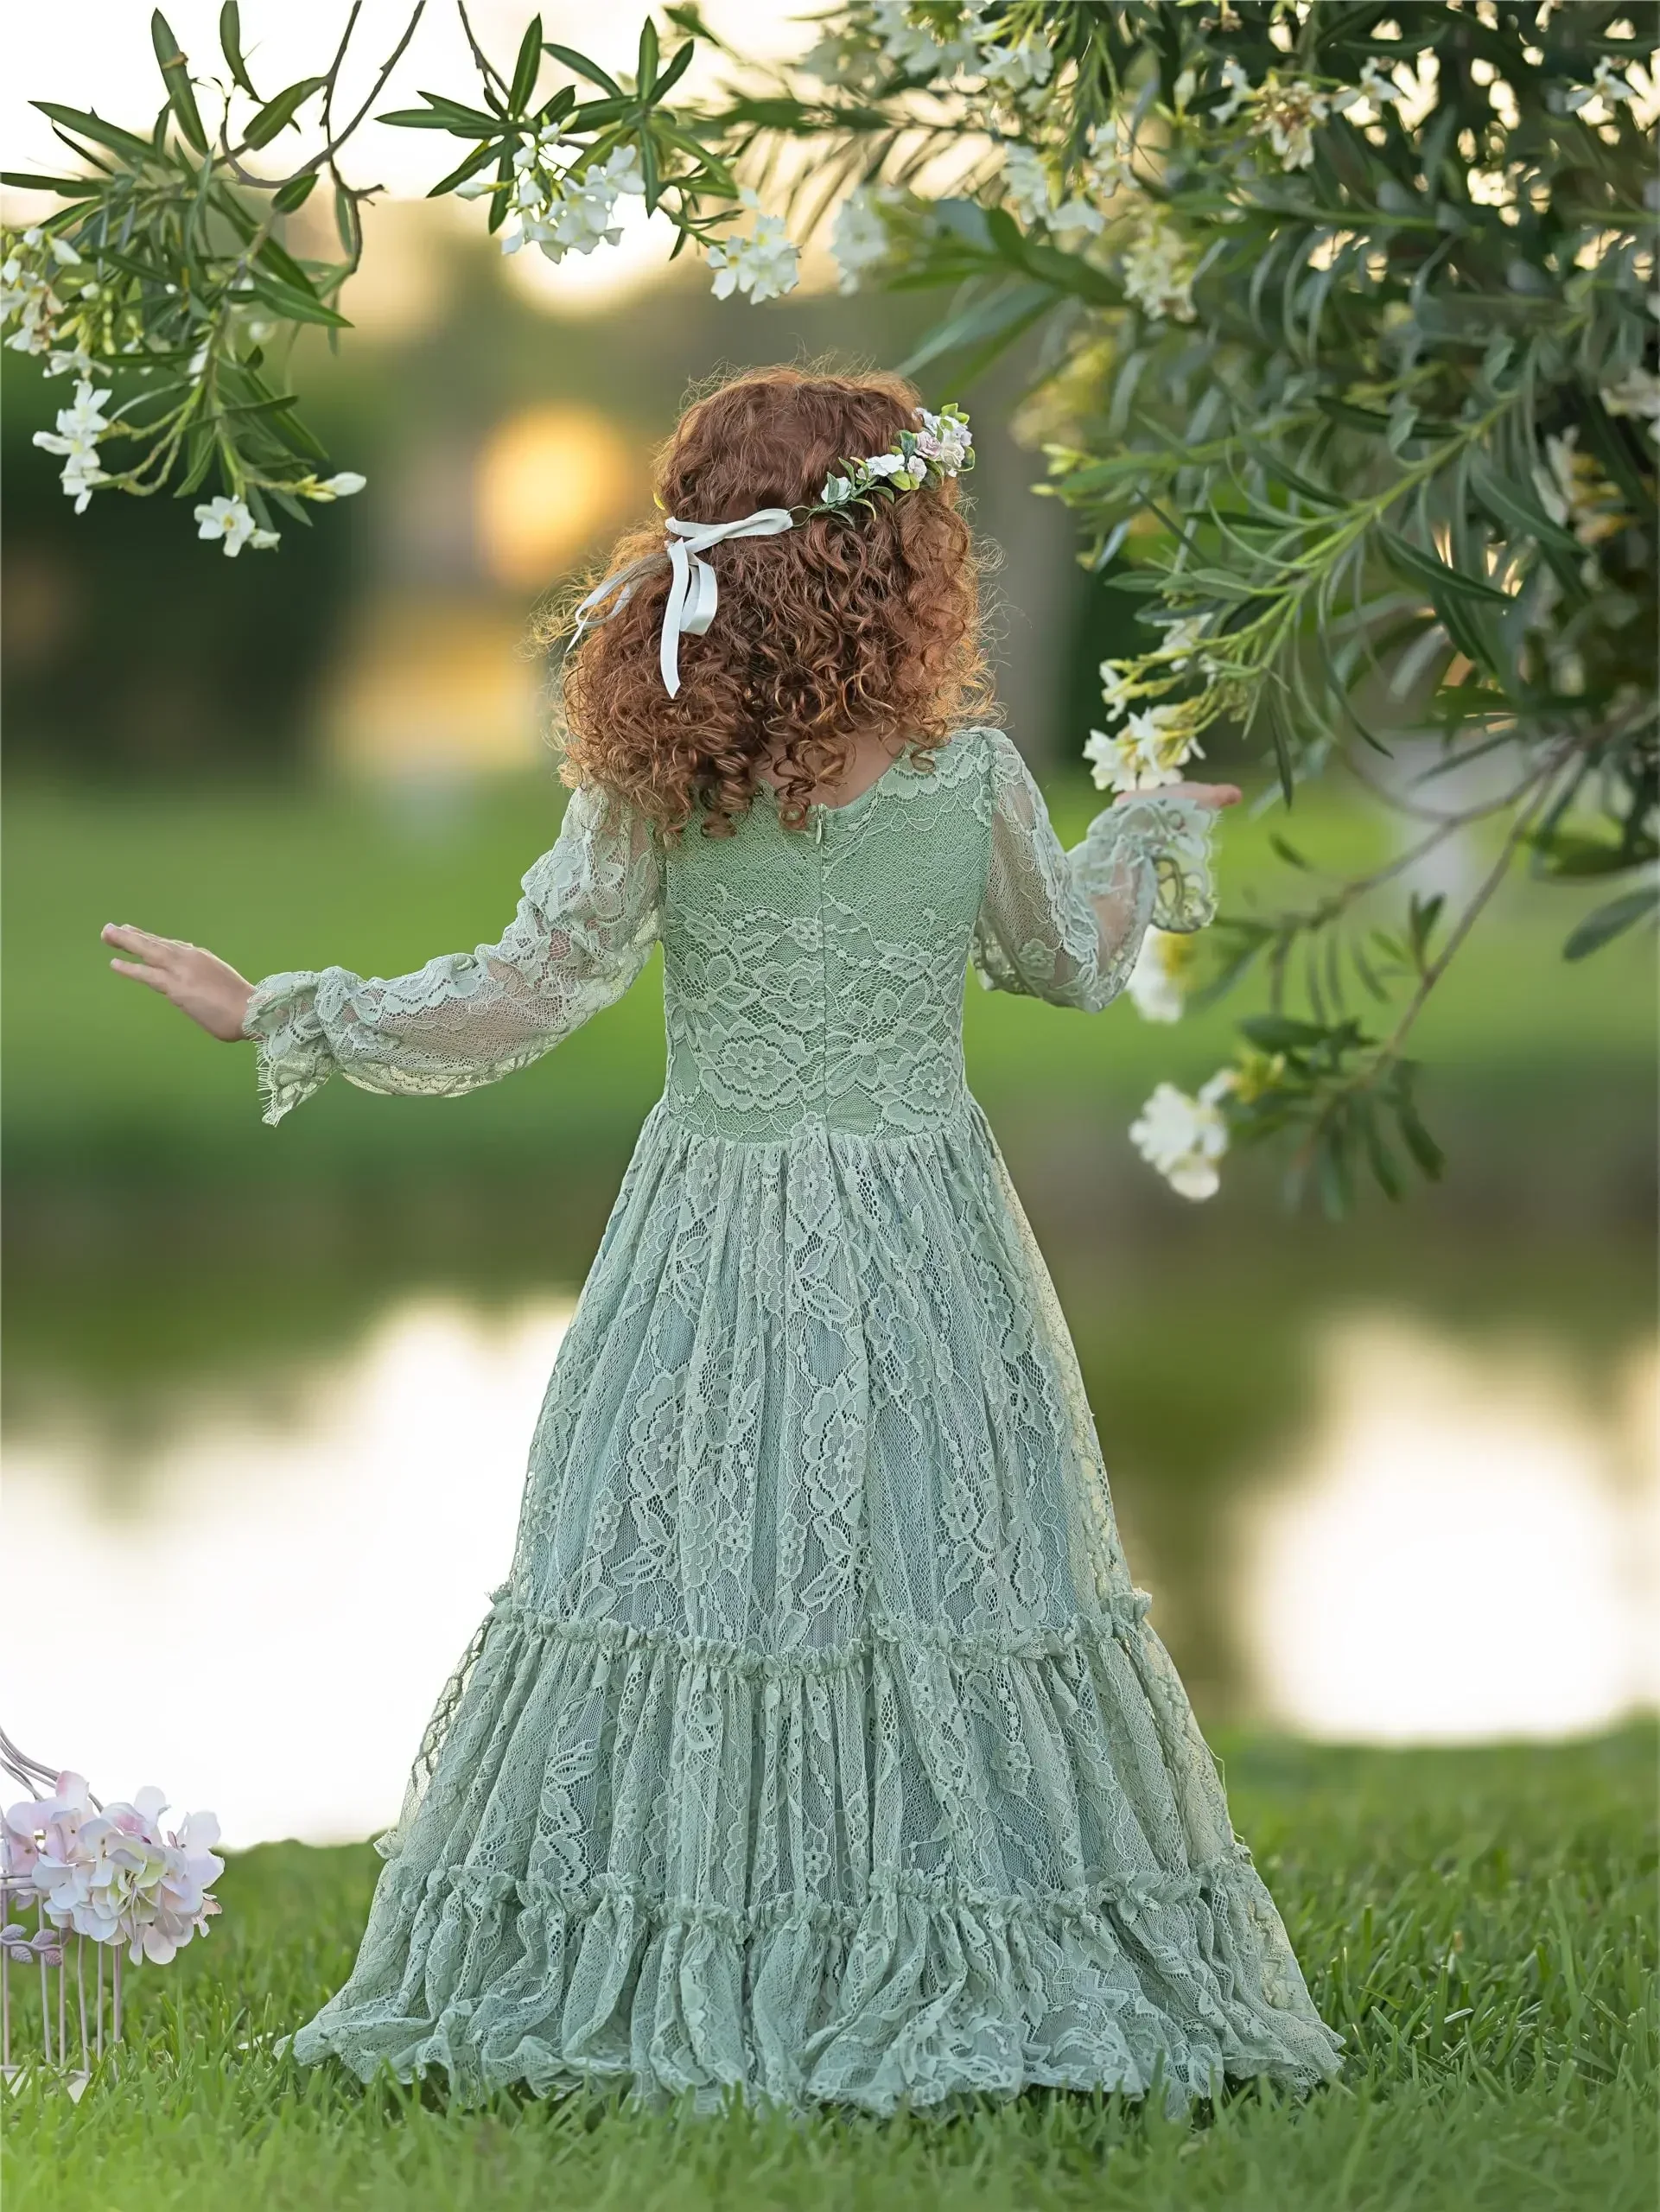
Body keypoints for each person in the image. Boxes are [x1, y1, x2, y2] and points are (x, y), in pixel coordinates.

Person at [102, 366, 1342, 2113]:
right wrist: (1136, 838)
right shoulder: (963, 774)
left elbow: (523, 991)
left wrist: (288, 1008)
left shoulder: (659, 781)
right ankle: (913, 1927)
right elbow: (1066, 955)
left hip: (716, 1216)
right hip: (922, 1226)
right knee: (937, 1566)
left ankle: (719, 1934)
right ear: (899, 560)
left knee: (696, 1561)